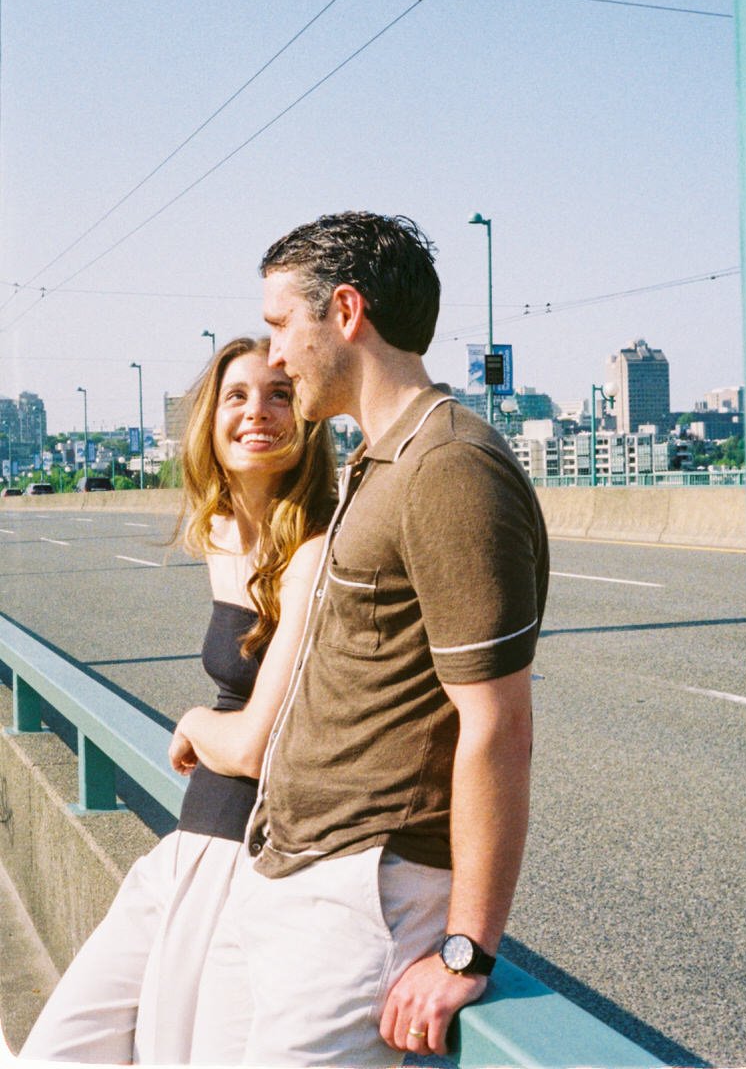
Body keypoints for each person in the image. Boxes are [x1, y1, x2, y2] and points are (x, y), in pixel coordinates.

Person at [189, 212, 550, 1066]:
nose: (274, 355)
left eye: (282, 326)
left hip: (367, 898)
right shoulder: (377, 461)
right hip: (290, 874)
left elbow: (497, 724)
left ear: (345, 312)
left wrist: (466, 948)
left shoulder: (449, 467)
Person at [20, 336, 337, 1064]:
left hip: (251, 859)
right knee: (58, 1050)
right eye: (237, 396)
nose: (258, 411)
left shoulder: (320, 541)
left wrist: (196, 721)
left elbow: (257, 741)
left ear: (309, 417)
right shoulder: (222, 529)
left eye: (280, 394)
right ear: (210, 420)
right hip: (190, 843)